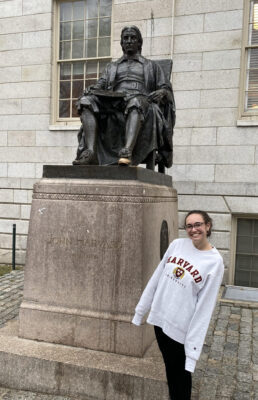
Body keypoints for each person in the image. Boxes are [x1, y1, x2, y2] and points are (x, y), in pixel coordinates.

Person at [132, 210, 224, 400]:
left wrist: (192, 351)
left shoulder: (215, 262)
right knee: (171, 371)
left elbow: (204, 309)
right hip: (159, 322)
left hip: (180, 330)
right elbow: (156, 278)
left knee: (180, 377)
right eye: (189, 226)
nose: (193, 229)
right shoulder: (177, 245)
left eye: (198, 224)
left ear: (208, 226)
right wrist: (141, 311)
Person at [73, 26, 175, 168]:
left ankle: (127, 152)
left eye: (132, 38)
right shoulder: (112, 67)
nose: (128, 41)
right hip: (114, 99)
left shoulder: (151, 66)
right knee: (85, 101)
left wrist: (163, 92)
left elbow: (165, 88)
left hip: (139, 98)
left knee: (135, 103)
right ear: (121, 43)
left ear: (139, 43)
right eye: (125, 38)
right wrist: (93, 88)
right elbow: (101, 84)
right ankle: (90, 152)